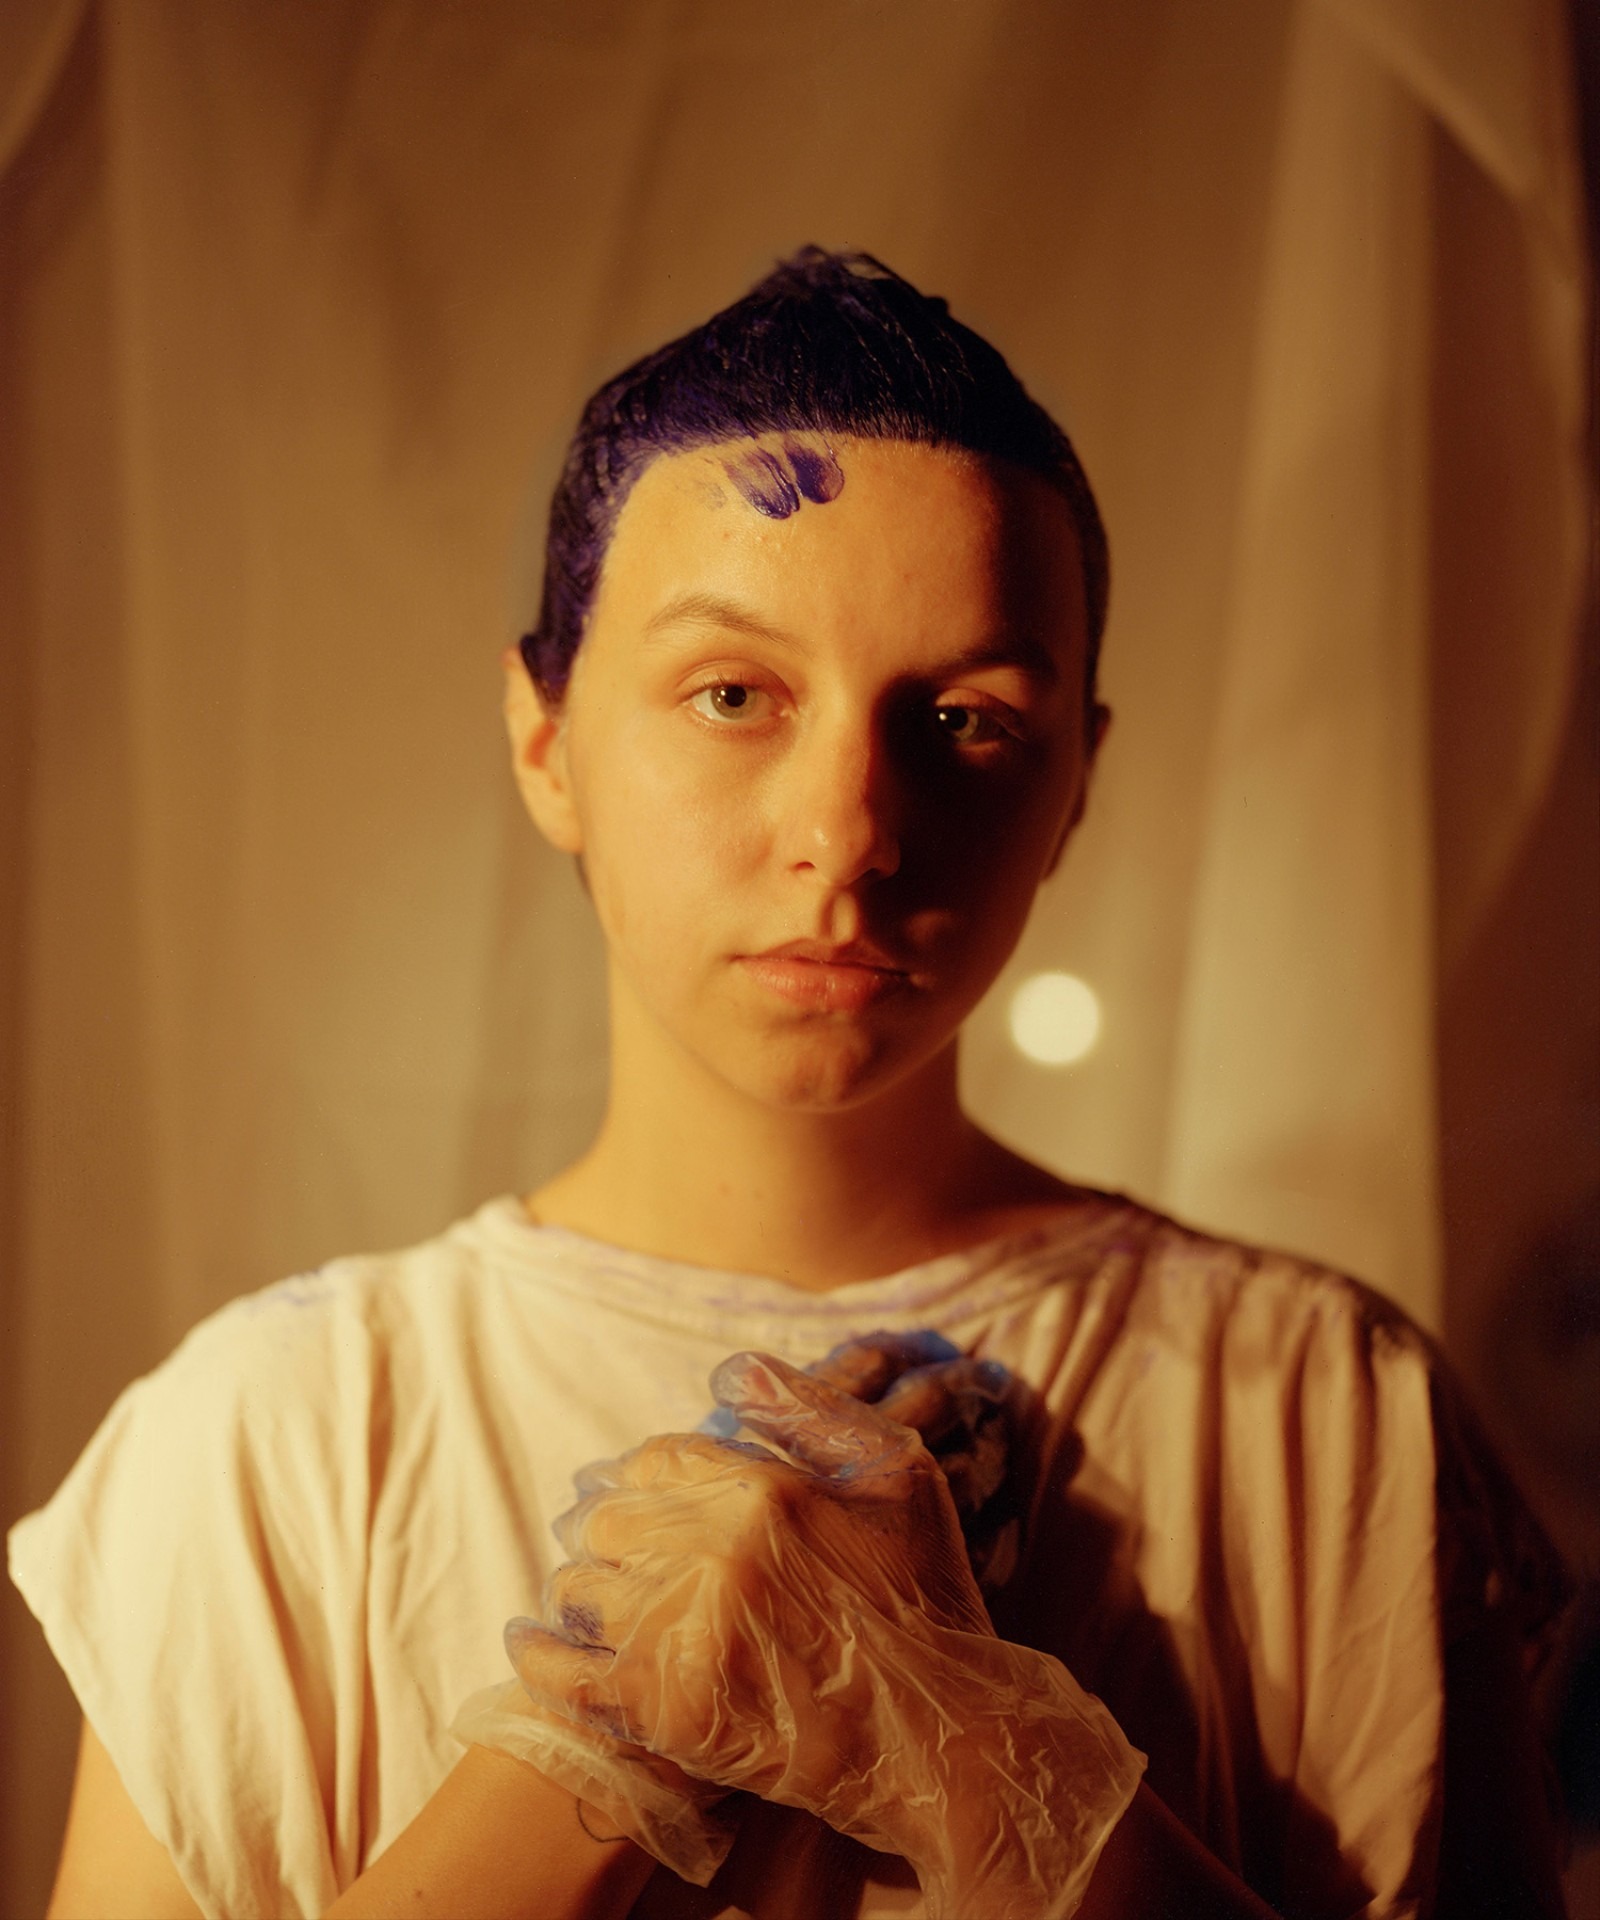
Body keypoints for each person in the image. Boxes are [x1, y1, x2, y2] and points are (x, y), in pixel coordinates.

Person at [11, 249, 1570, 1919]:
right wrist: (590, 1753)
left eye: (968, 719)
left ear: (1079, 782)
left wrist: (974, 1751)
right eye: (735, 694)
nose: (851, 832)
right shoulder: (265, 1445)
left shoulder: (1331, 1411)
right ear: (547, 742)